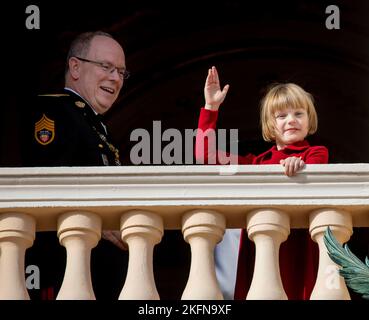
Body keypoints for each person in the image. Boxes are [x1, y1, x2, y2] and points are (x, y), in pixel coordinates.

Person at [195, 66, 329, 299]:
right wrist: (211, 108)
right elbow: (205, 156)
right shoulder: (257, 163)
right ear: (270, 125)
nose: (291, 120)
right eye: (281, 115)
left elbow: (316, 172)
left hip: (300, 247)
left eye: (299, 113)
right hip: (262, 247)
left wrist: (301, 165)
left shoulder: (316, 153)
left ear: (310, 120)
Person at [22, 31, 129, 299]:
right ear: (75, 67)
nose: (115, 78)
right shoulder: (55, 111)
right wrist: (102, 221)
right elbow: (47, 184)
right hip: (62, 272)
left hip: (96, 275)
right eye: (106, 67)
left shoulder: (95, 124)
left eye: (121, 72)